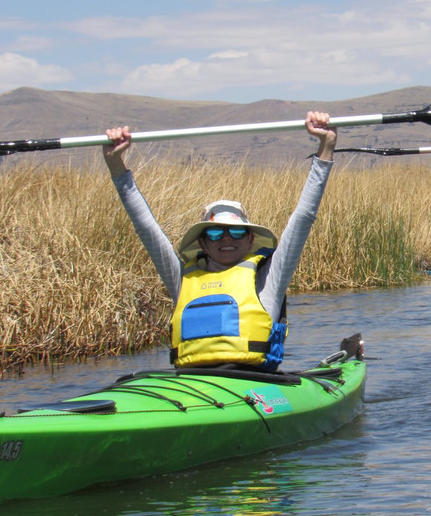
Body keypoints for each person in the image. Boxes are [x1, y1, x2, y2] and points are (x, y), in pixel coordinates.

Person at [103, 112, 336, 371]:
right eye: (214, 233)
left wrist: (325, 148)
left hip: (252, 383)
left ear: (249, 241)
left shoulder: (269, 279)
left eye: (236, 232)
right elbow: (146, 228)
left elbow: (303, 218)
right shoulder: (182, 280)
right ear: (202, 243)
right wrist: (116, 165)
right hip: (192, 384)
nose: (226, 238)